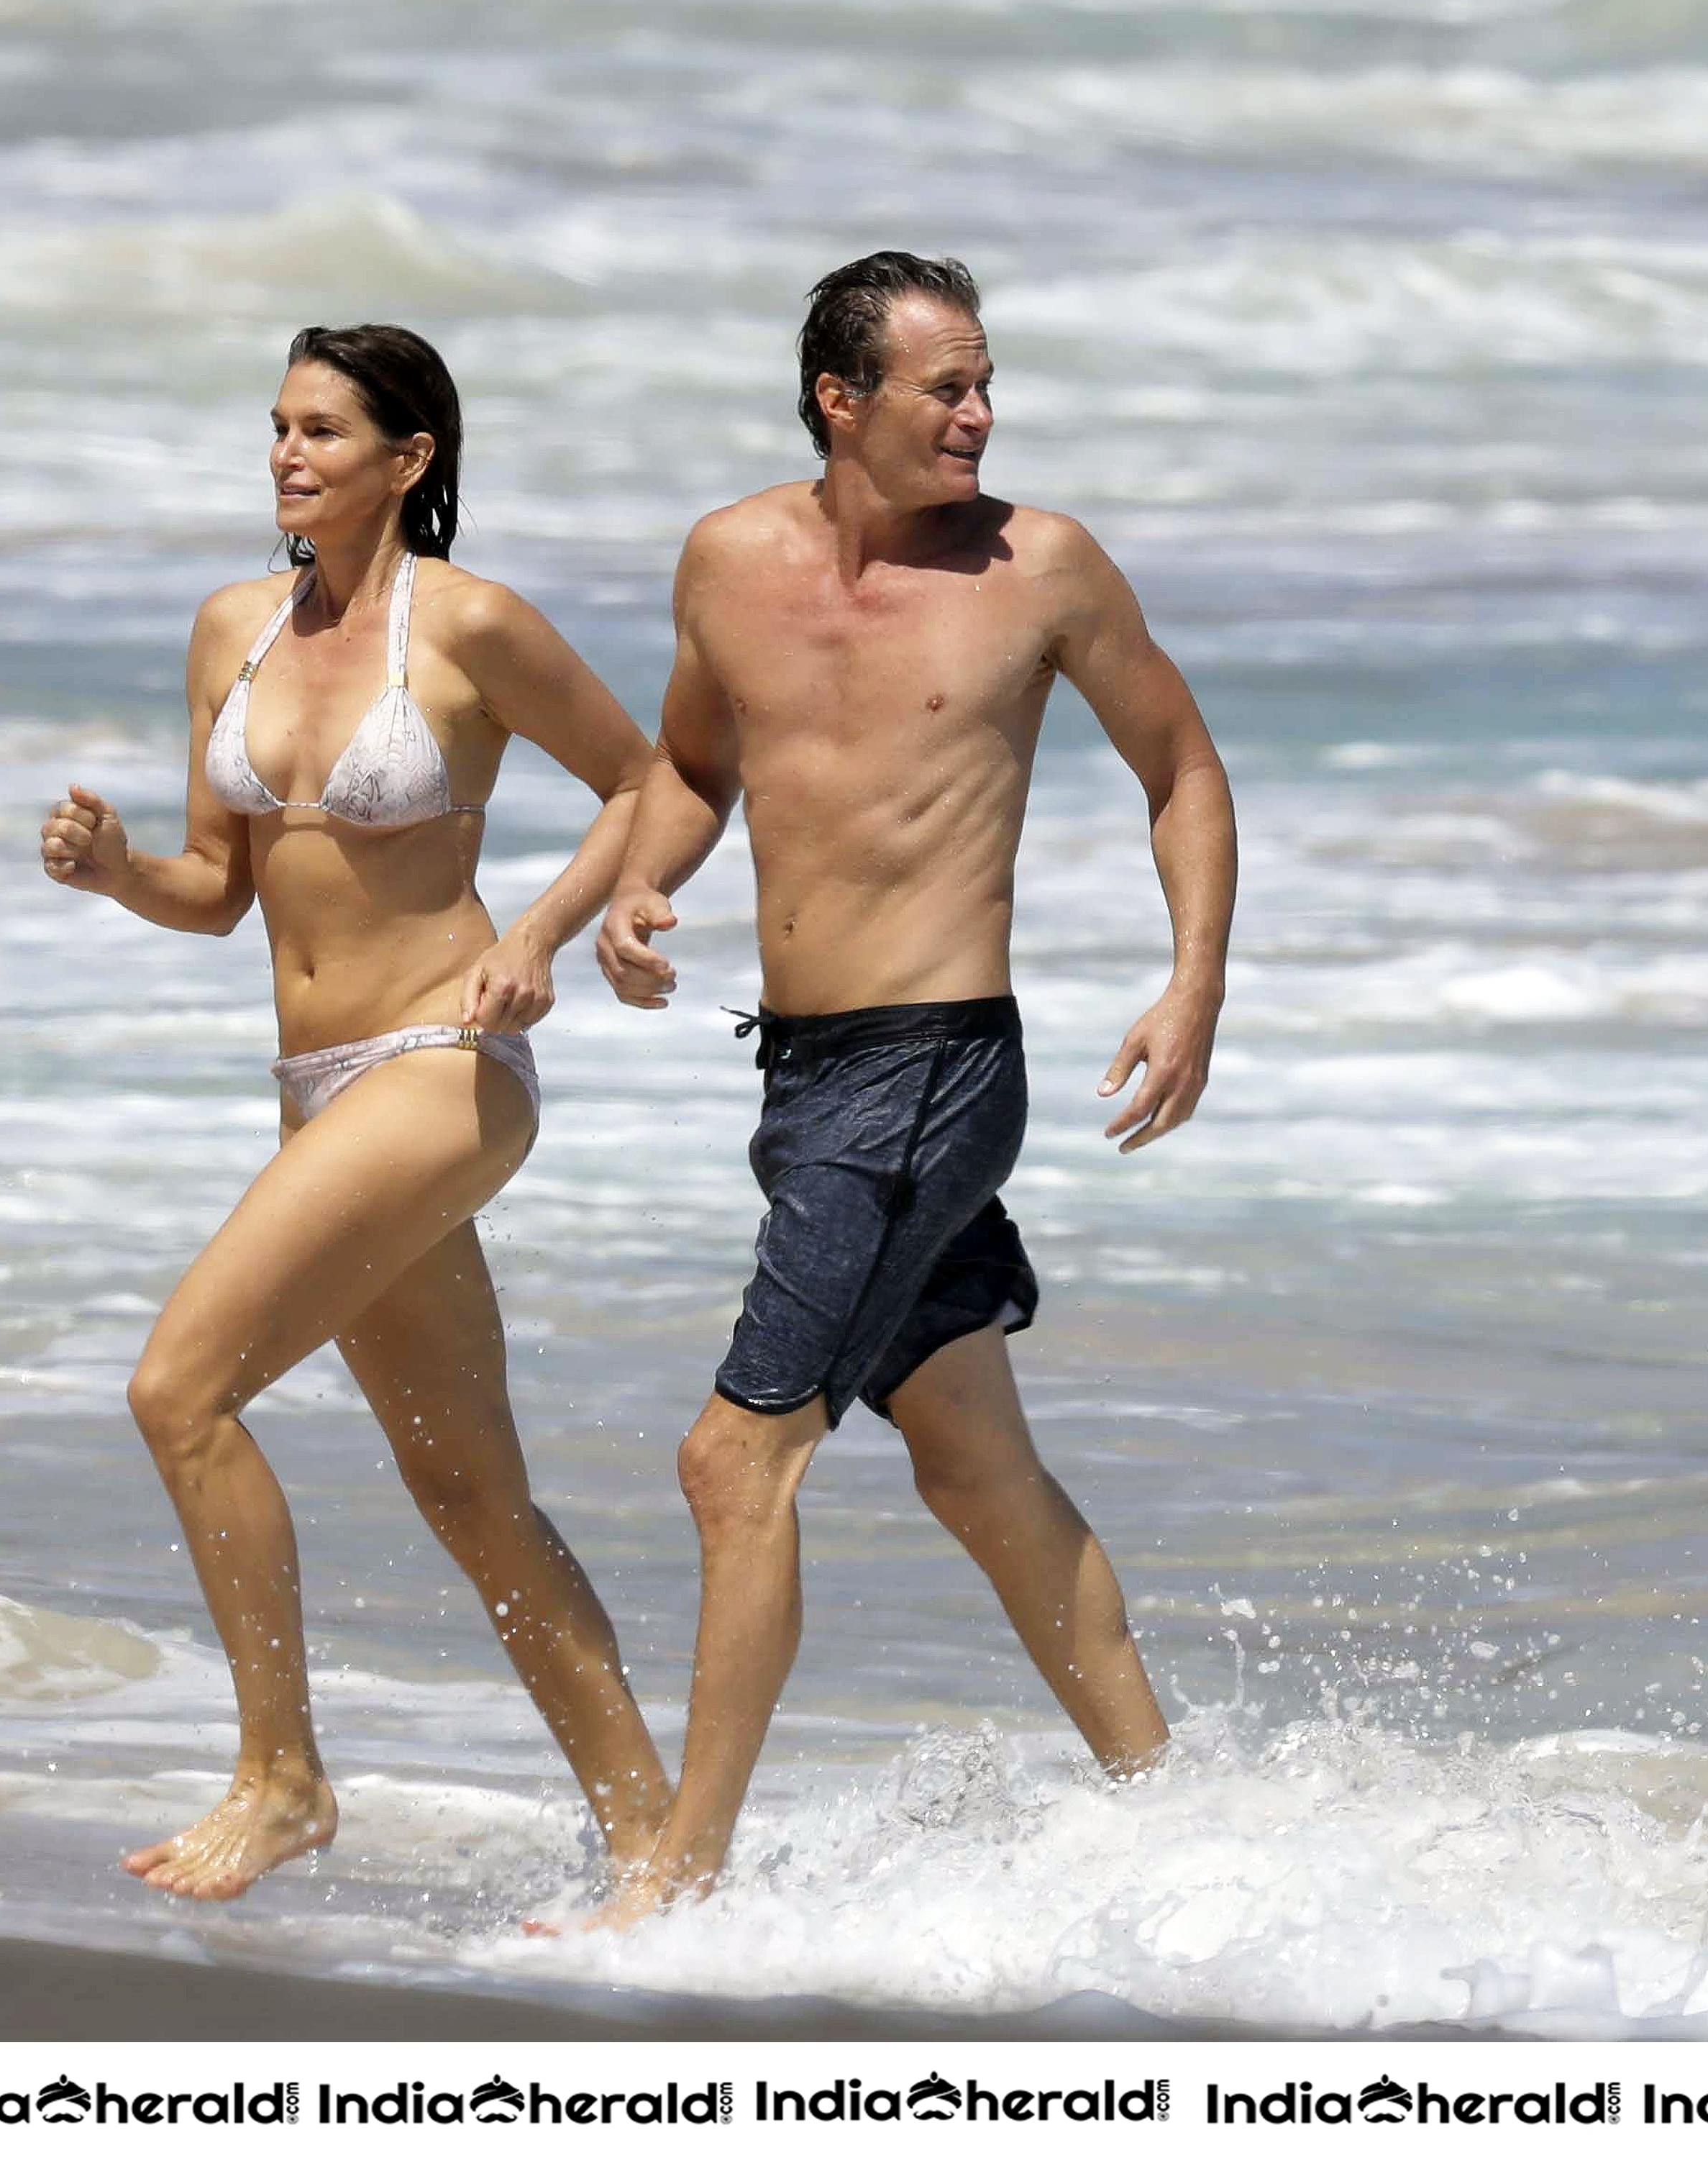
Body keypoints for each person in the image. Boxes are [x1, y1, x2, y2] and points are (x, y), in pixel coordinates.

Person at [585, 252, 1237, 1922]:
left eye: (986, 382)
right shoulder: (730, 560)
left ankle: (682, 1880)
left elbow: (1181, 764)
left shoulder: (1045, 569)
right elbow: (693, 765)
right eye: (945, 386)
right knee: (970, 1464)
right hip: (805, 1081)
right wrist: (642, 885)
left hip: (937, 1072)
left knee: (736, 1464)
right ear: (840, 400)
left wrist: (1193, 984)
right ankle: (1179, 1819)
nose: (980, 413)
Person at [40, 324, 669, 1900]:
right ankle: (659, 1843)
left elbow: (647, 780)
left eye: (323, 429)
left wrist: (538, 937)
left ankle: (281, 1778)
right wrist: (119, 872)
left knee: (178, 1393)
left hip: (443, 1067)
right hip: (314, 1095)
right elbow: (217, 891)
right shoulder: (230, 630)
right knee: (471, 1495)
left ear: (412, 457)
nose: (287, 455)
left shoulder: (467, 626)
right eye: (275, 427)